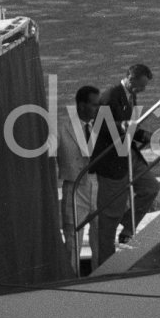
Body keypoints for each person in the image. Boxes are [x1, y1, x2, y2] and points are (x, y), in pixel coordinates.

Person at [89, 63, 158, 264]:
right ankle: (105, 264)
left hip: (128, 153)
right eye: (140, 85)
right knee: (110, 214)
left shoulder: (131, 96)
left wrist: (144, 134)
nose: (142, 90)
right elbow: (100, 126)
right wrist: (121, 127)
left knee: (151, 187)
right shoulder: (109, 96)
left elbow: (130, 126)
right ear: (130, 78)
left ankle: (128, 226)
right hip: (112, 161)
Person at [54, 85, 100, 274]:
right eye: (94, 105)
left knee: (101, 238)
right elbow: (50, 154)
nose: (97, 109)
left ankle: (102, 277)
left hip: (98, 184)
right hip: (74, 186)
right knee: (73, 238)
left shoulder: (102, 126)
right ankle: (72, 279)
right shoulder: (61, 126)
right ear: (81, 105)